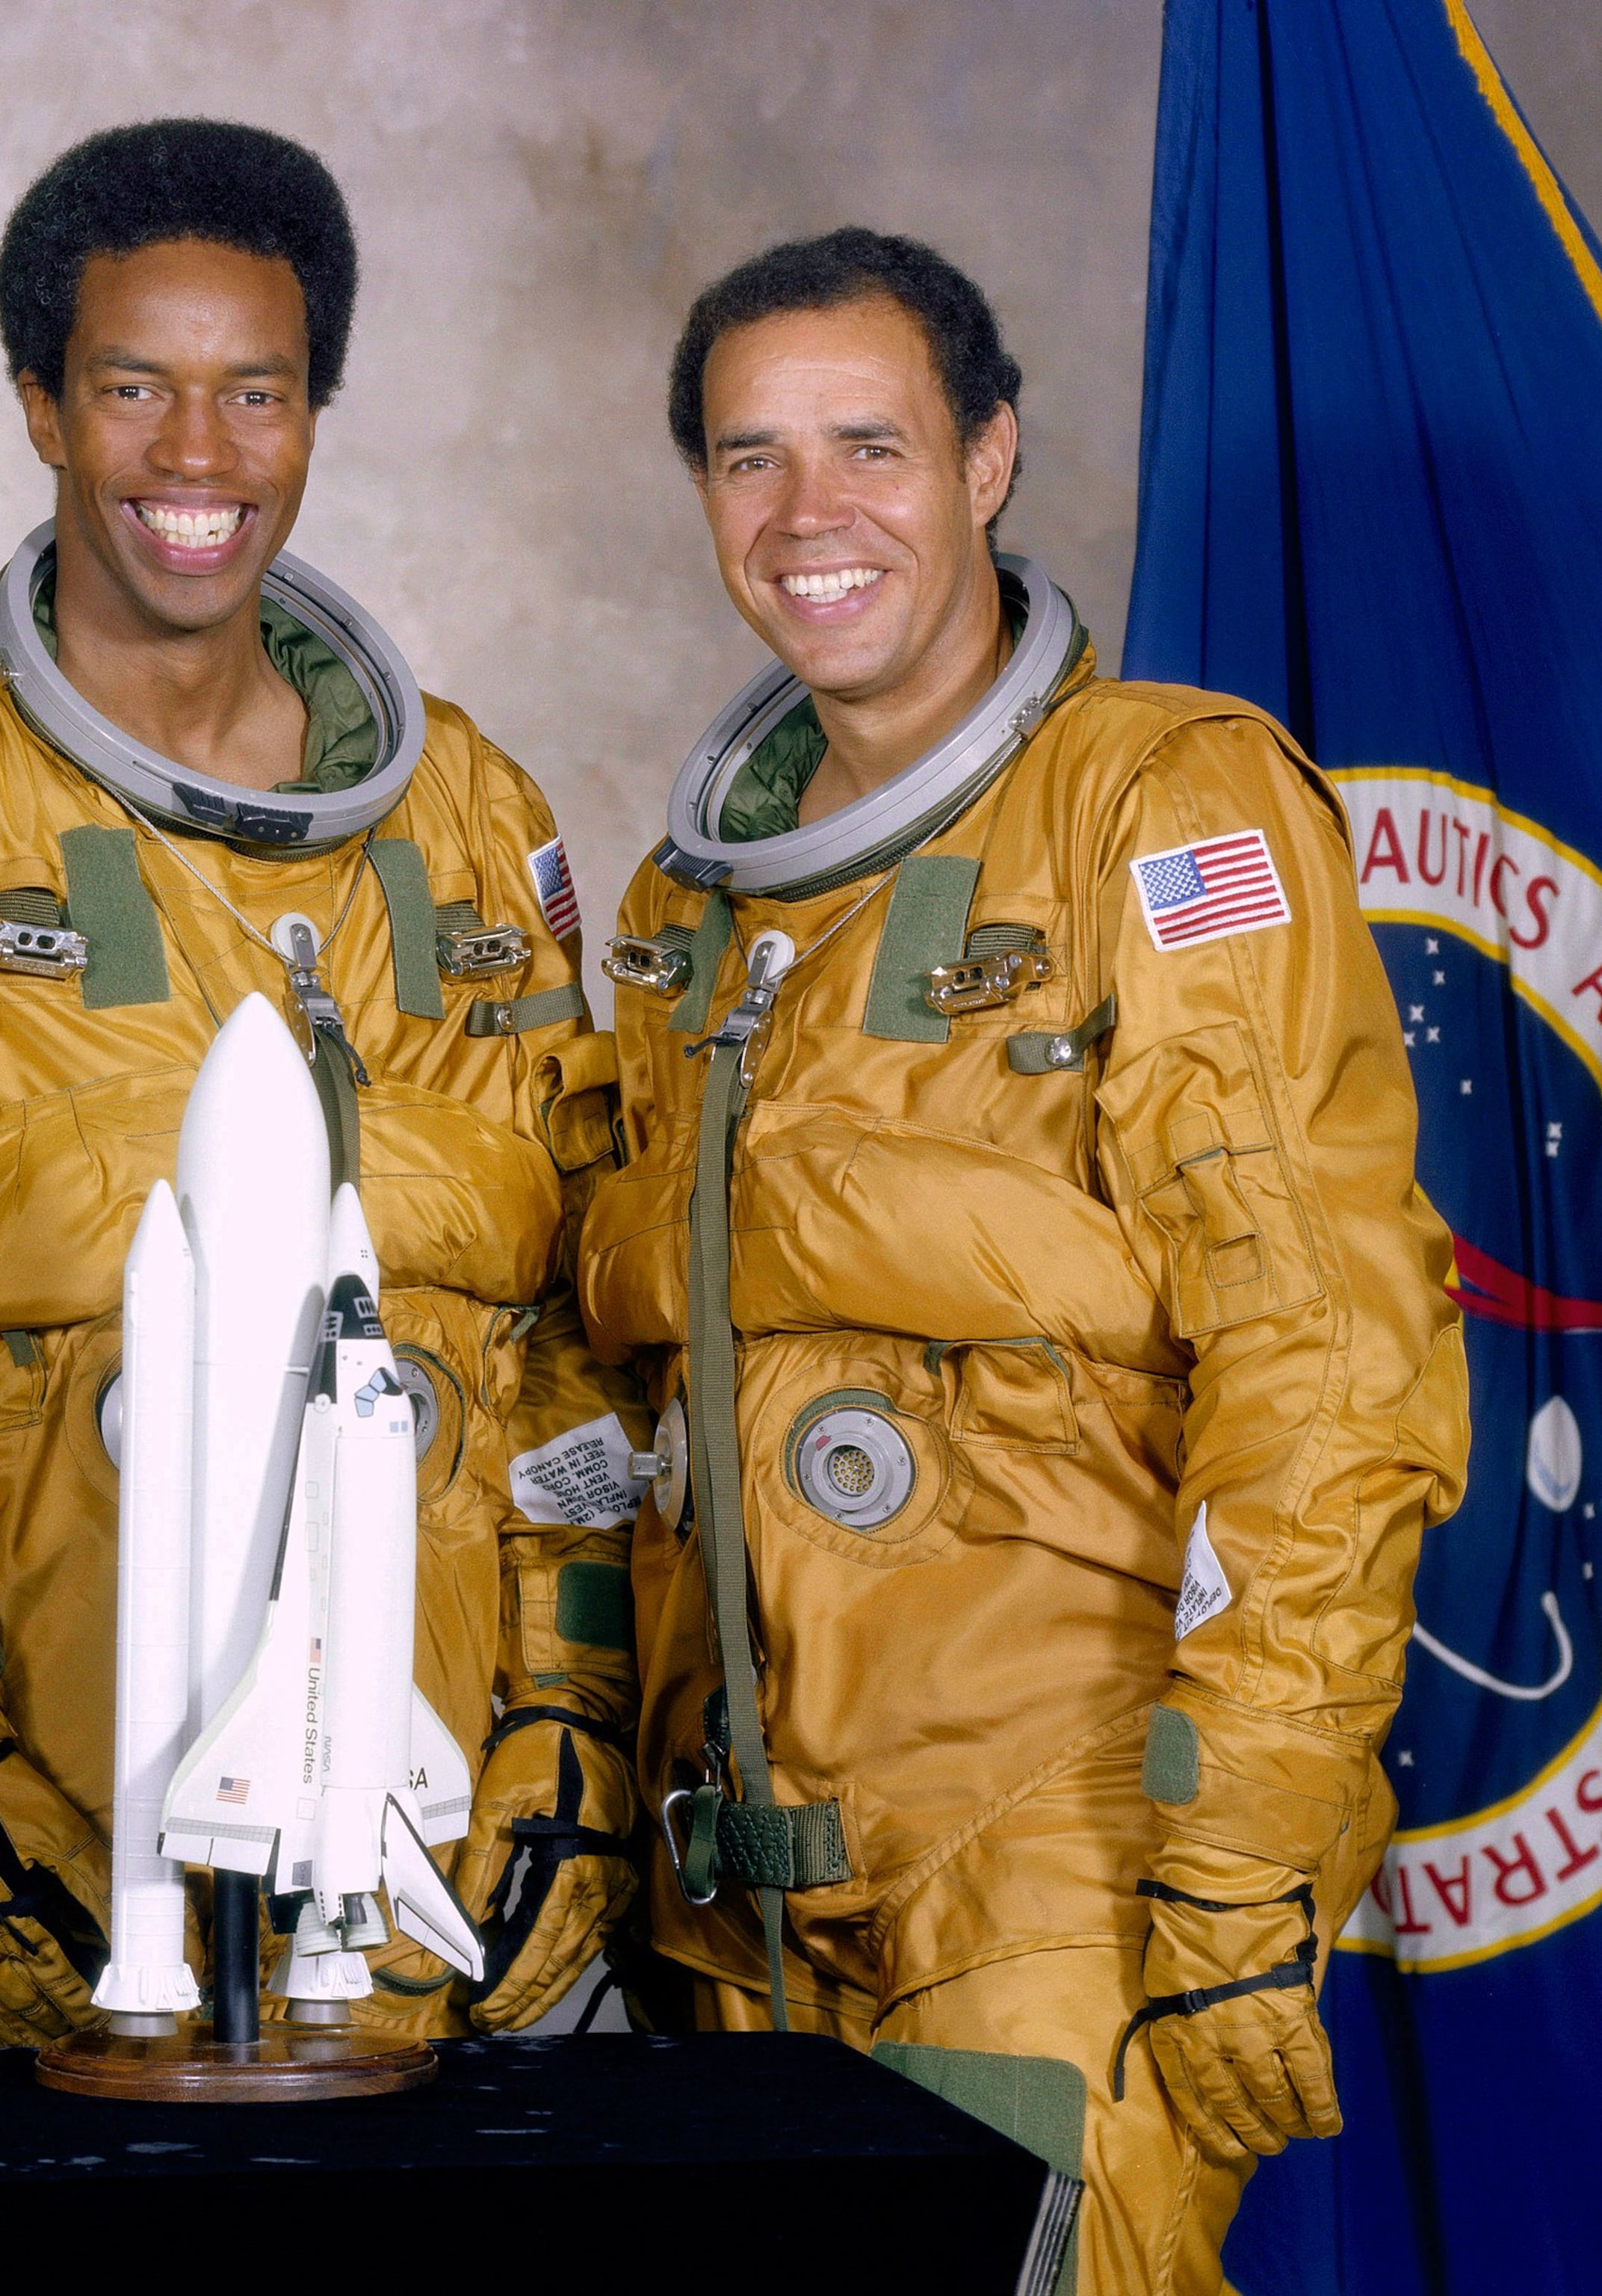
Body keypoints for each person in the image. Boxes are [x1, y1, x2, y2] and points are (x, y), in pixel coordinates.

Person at [580, 229, 1468, 2292]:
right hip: (740, 1896)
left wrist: (1239, 1854)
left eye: (870, 445)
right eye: (749, 460)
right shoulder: (686, 917)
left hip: (1054, 1860)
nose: (812, 516)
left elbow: (1321, 1364)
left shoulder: (1166, 808)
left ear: (988, 459)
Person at [0, 118, 643, 2052]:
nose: (198, 459)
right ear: (40, 404)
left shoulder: (467, 815)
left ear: (318, 412)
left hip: (414, 1869)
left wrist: (563, 1725)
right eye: (135, 388)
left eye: (256, 394)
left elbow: (562, 1343)